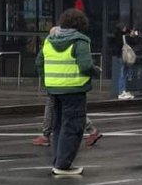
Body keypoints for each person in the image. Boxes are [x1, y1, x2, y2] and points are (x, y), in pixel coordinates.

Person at [35, 9, 100, 176]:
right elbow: (85, 65)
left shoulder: (49, 40)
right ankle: (63, 165)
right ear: (80, 25)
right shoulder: (80, 40)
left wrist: (47, 80)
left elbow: (39, 62)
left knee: (57, 127)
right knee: (72, 127)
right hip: (74, 89)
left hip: (54, 89)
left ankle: (58, 161)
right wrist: (96, 72)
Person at [111, 21, 139, 100]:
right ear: (122, 29)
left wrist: (129, 32)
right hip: (124, 57)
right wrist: (135, 34)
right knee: (123, 74)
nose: (125, 29)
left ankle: (123, 90)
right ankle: (121, 92)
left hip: (120, 57)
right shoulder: (124, 37)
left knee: (123, 74)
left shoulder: (117, 35)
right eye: (124, 28)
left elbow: (127, 31)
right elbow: (134, 41)